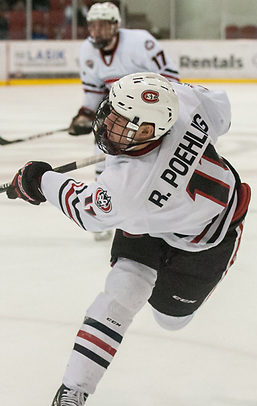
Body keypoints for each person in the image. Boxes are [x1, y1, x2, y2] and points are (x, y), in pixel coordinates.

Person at [6, 72, 251, 406]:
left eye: (127, 126)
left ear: (154, 131)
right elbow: (222, 109)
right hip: (152, 221)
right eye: (114, 115)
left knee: (170, 320)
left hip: (206, 239)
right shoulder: (183, 103)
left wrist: (37, 180)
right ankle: (73, 392)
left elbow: (86, 209)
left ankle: (169, 299)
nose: (112, 126)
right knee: (122, 292)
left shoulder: (127, 193)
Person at [68, 2, 181, 240]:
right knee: (104, 154)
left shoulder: (141, 42)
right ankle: (105, 211)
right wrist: (84, 115)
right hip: (119, 113)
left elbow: (171, 79)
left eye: (102, 26)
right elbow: (94, 92)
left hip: (151, 112)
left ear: (115, 26)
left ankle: (161, 212)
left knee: (155, 161)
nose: (96, 31)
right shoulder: (86, 51)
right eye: (92, 26)